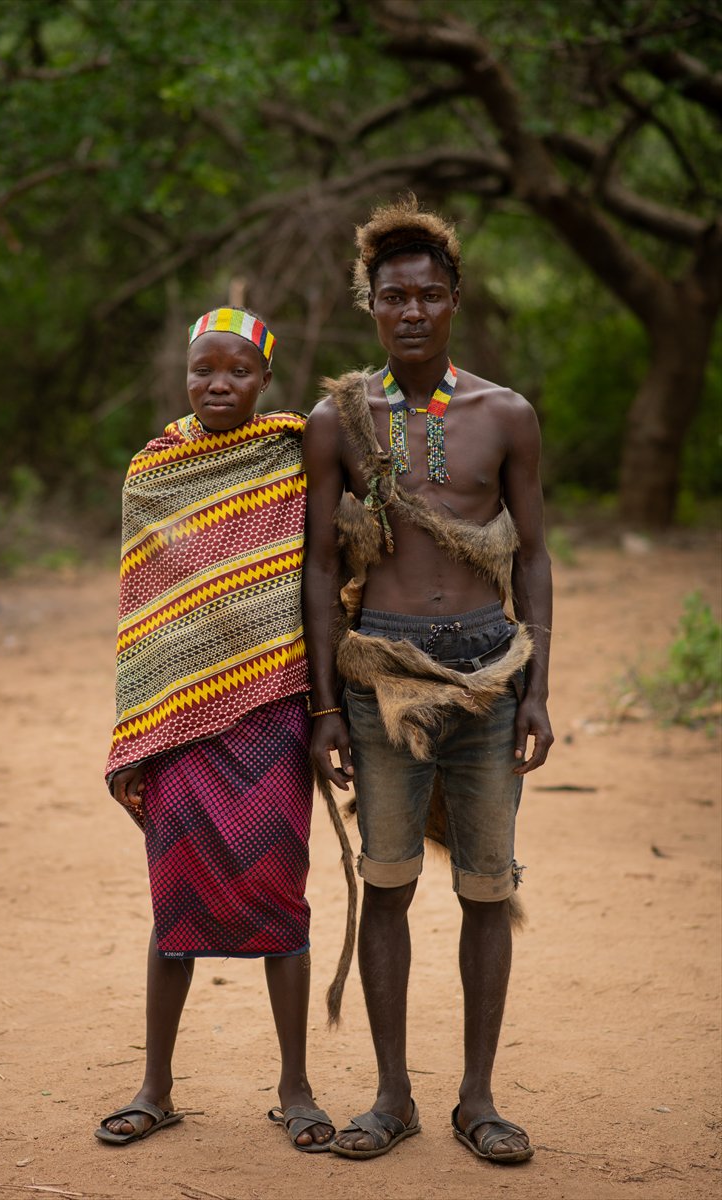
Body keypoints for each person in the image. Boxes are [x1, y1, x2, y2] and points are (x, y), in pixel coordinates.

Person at [302, 196, 553, 1163]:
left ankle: (477, 1101)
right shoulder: (340, 418)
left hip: (491, 674)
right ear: (370, 304)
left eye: (429, 295)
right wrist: (326, 705)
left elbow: (533, 556)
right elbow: (321, 567)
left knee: (488, 890)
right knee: (390, 883)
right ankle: (393, 1097)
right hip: (381, 682)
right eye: (393, 296)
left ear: (455, 302)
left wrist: (536, 687)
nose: (411, 311)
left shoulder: (505, 414)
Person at [95, 307, 334, 1153]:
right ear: (184, 375)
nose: (219, 384)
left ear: (266, 379)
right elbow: (142, 612)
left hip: (271, 710)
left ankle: (297, 1089)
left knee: (282, 899)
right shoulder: (154, 471)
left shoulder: (293, 454)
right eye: (205, 370)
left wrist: (326, 713)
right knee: (175, 905)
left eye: (237, 371)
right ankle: (155, 1087)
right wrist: (134, 735)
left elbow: (323, 572)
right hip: (176, 725)